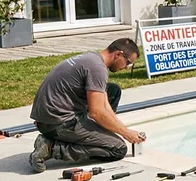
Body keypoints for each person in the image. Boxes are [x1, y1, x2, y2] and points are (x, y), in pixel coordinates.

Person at [28, 38, 145, 173]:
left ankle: (95, 135)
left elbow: (104, 103)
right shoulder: (97, 68)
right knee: (118, 149)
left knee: (112, 90)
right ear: (118, 55)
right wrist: (126, 133)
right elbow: (97, 112)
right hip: (59, 123)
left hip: (48, 118)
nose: (125, 67)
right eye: (128, 63)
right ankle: (51, 148)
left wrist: (121, 128)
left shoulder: (92, 58)